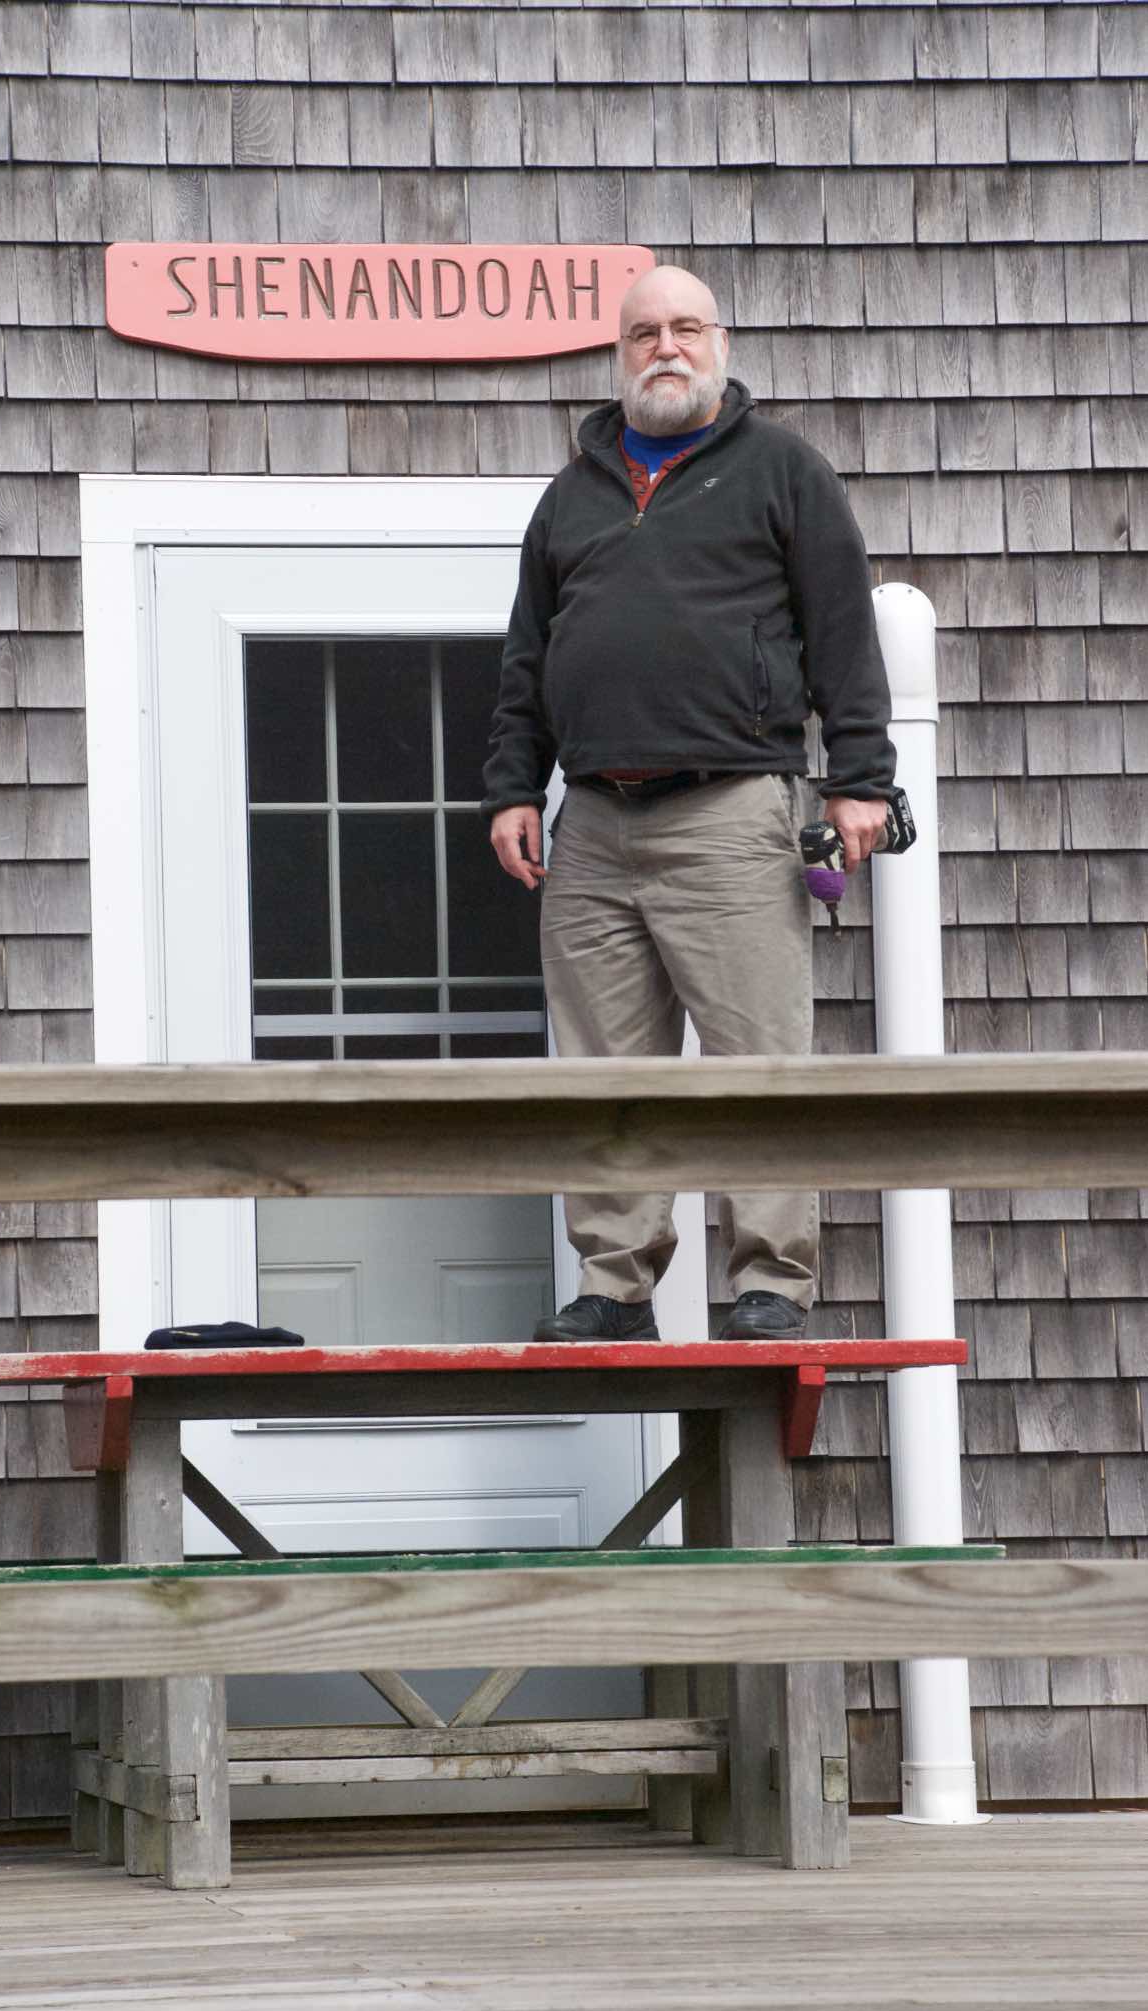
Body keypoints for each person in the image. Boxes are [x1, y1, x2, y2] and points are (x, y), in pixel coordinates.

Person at [482, 264, 896, 1343]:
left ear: (719, 343)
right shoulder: (570, 494)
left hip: (731, 809)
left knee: (757, 1060)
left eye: (684, 328)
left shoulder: (782, 471)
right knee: (602, 1072)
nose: (664, 348)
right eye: (642, 334)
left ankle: (771, 1283)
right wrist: (514, 786)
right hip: (590, 824)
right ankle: (615, 1286)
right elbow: (528, 659)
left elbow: (843, 631)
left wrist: (861, 778)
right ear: (618, 355)